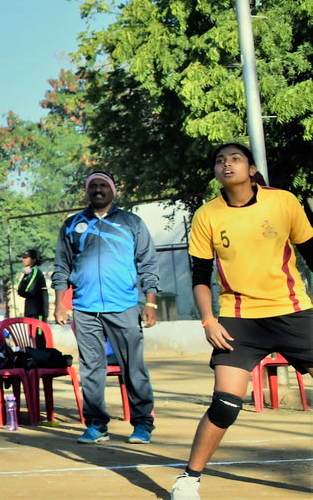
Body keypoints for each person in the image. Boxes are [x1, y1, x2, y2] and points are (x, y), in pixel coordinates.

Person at [168, 143, 313, 500]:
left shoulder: (283, 201)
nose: (227, 164)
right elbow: (200, 276)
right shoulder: (207, 215)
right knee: (225, 404)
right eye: (220, 161)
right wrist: (208, 321)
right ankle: (189, 480)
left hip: (292, 310)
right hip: (238, 319)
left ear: (250, 169)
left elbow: (312, 253)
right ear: (216, 172)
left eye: (235, 159)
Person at [52, 171, 159, 444]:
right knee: (91, 369)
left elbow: (148, 263)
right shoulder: (73, 224)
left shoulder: (131, 223)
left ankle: (143, 423)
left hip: (123, 306)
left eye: (103, 186)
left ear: (113, 190)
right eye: (93, 186)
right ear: (86, 191)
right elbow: (62, 266)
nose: (98, 190)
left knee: (133, 367)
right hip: (85, 308)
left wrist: (150, 302)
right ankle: (97, 425)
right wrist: (60, 304)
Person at [16, 250, 49, 321]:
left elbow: (28, 290)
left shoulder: (35, 271)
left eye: (26, 257)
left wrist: (21, 291)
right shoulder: (29, 272)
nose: (23, 259)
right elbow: (21, 290)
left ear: (34, 259)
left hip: (37, 312)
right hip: (30, 311)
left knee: (37, 328)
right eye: (22, 257)